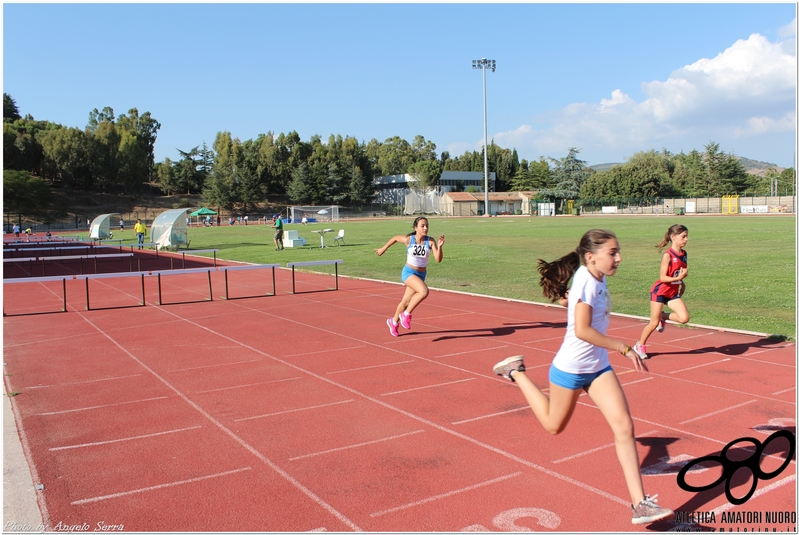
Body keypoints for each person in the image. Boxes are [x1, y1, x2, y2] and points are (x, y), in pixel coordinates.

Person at [492, 229, 673, 526]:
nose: (619, 258)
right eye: (612, 253)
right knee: (553, 425)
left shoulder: (594, 278)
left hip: (598, 368)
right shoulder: (587, 281)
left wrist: (569, 302)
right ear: (592, 257)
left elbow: (579, 309)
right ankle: (516, 372)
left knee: (624, 427)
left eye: (618, 251)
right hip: (571, 368)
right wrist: (624, 347)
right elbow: (582, 331)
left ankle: (640, 504)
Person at [376, 216, 445, 337]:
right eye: (422, 226)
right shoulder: (409, 240)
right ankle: (406, 314)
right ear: (416, 228)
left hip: (420, 275)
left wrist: (440, 247)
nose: (425, 228)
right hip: (408, 273)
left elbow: (438, 259)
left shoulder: (430, 241)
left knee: (405, 302)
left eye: (427, 225)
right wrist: (383, 248)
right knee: (423, 291)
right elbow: (396, 238)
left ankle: (393, 322)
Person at [634, 224, 689, 359]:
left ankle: (662, 316)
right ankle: (639, 345)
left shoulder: (684, 254)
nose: (686, 239)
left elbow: (677, 272)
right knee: (653, 323)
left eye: (687, 236)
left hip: (672, 292)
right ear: (673, 237)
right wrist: (679, 278)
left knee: (684, 318)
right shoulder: (668, 255)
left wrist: (682, 283)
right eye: (683, 236)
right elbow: (663, 277)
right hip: (660, 291)